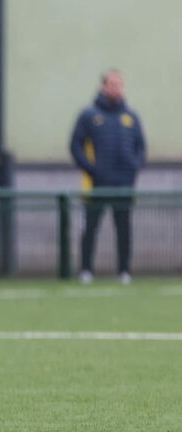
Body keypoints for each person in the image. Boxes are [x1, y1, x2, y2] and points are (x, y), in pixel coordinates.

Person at [70, 69, 145, 284]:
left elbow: (141, 147)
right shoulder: (89, 116)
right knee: (91, 227)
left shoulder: (130, 117)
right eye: (111, 84)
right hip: (97, 184)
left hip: (124, 183)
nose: (115, 88)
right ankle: (86, 269)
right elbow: (75, 145)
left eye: (118, 84)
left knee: (124, 228)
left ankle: (124, 270)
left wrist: (133, 166)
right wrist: (91, 169)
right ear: (102, 86)